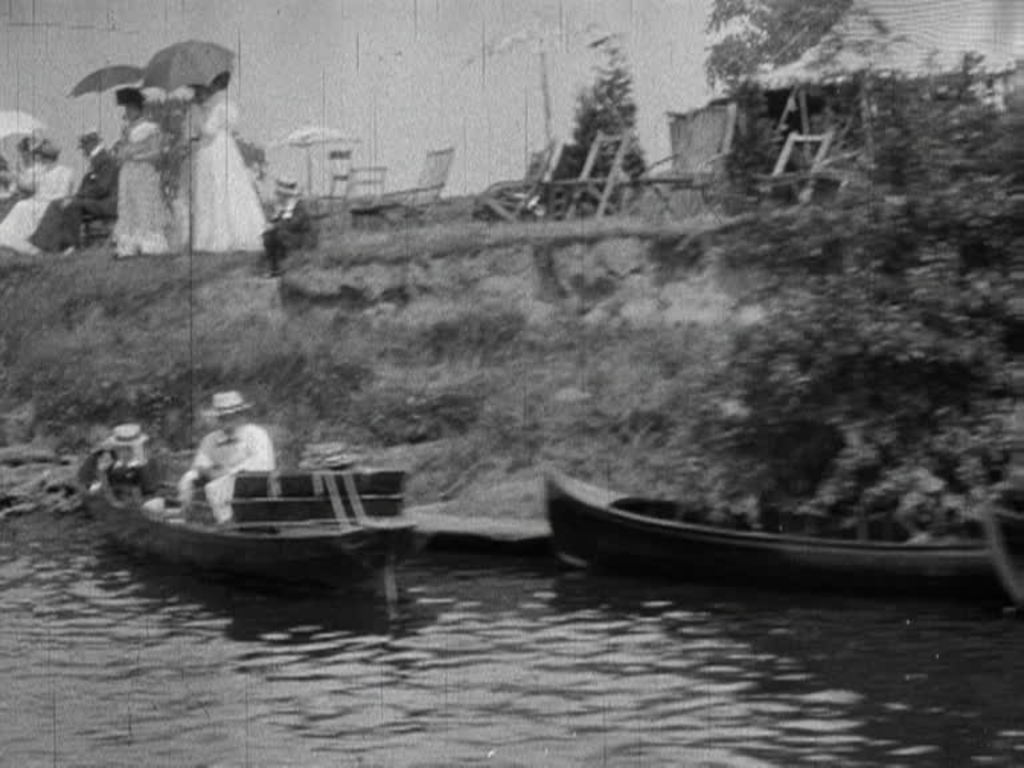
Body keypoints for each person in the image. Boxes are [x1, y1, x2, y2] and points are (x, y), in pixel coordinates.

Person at [189, 71, 266, 253]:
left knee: (220, 187)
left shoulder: (218, 106)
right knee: (217, 188)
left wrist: (198, 113)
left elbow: (207, 130)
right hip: (218, 148)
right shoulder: (222, 105)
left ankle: (223, 236)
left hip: (216, 148)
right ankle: (214, 236)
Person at [177, 391, 275, 523]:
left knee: (220, 486)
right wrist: (209, 472)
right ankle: (191, 515)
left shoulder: (256, 434)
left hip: (253, 490)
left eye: (232, 416)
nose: (228, 420)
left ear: (241, 415)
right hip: (216, 489)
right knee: (188, 479)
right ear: (217, 418)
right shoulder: (210, 440)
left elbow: (264, 465)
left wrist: (228, 472)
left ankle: (230, 522)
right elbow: (200, 465)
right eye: (223, 417)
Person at [29, 131, 119, 253]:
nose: (83, 152)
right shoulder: (99, 160)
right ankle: (44, 243)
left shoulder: (106, 161)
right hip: (97, 200)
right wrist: (76, 197)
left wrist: (77, 197)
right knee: (57, 204)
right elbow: (94, 187)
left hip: (106, 202)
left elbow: (102, 188)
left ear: (91, 145)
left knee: (70, 205)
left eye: (84, 148)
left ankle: (69, 245)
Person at [111, 87, 174, 258]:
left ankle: (149, 243)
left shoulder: (151, 128)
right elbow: (122, 151)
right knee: (128, 206)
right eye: (126, 108)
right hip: (128, 173)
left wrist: (135, 156)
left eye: (130, 108)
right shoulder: (126, 129)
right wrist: (121, 155)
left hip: (144, 171)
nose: (127, 112)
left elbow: (157, 153)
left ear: (138, 108)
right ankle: (128, 245)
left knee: (144, 205)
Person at [0, 137, 74, 256]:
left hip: (50, 205)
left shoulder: (65, 172)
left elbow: (63, 194)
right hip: (36, 203)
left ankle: (23, 243)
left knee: (24, 206)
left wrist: (43, 198)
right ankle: (8, 237)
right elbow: (28, 185)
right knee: (21, 206)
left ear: (48, 158)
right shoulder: (42, 171)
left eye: (41, 156)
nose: (39, 159)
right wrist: (13, 176)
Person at [262, 176, 315, 277]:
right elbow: (276, 220)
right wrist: (271, 223)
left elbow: (296, 223)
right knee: (268, 236)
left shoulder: (299, 206)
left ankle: (288, 266)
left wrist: (277, 225)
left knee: (279, 235)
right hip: (287, 235)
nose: (278, 197)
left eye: (280, 194)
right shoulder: (282, 207)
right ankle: (274, 267)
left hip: (300, 237)